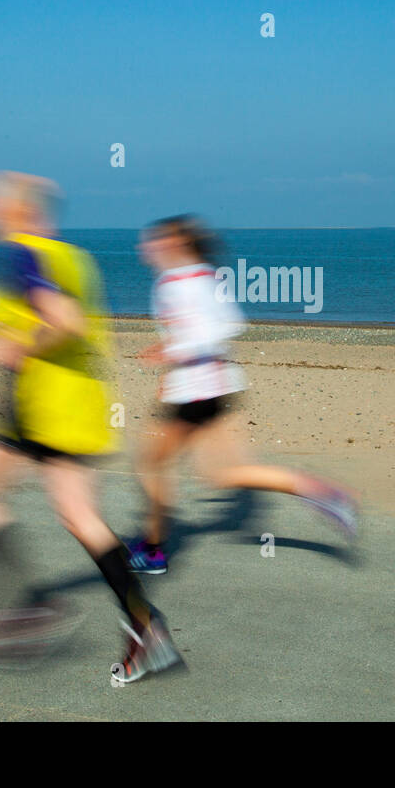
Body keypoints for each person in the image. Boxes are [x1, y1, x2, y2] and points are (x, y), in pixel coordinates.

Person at [0, 171, 181, 684]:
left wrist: (15, 345)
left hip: (33, 404)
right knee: (79, 515)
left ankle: (16, 617)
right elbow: (76, 320)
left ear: (19, 211)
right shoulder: (75, 257)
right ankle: (146, 627)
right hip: (79, 406)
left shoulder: (16, 254)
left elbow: (63, 319)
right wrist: (10, 327)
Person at [125, 215, 358, 575]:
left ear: (177, 245)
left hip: (195, 394)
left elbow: (214, 330)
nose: (146, 247)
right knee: (224, 474)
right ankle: (320, 492)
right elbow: (227, 323)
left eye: (155, 241)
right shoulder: (204, 275)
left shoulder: (175, 281)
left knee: (150, 464)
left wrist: (172, 352)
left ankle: (153, 551)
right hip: (218, 387)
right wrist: (173, 352)